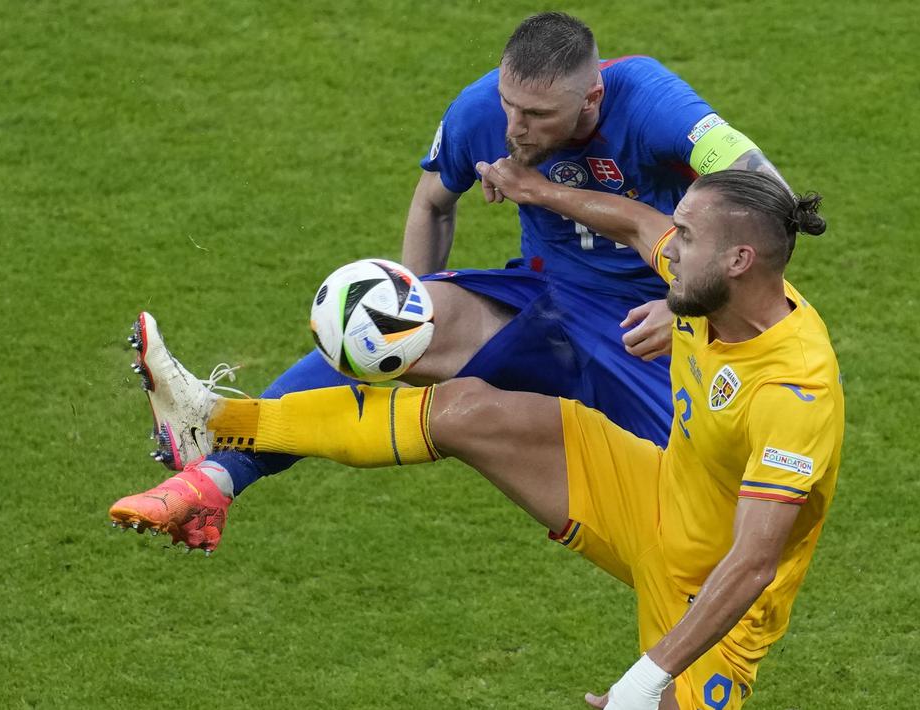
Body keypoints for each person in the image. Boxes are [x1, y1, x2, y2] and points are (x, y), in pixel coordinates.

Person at [111, 169, 842, 709]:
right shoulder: (706, 287)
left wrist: (642, 680)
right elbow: (632, 221)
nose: (669, 246)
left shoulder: (793, 392)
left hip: (710, 597)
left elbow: (749, 565)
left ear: (740, 261)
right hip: (647, 488)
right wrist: (533, 187)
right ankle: (215, 420)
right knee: (464, 410)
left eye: (687, 236)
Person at [128, 12, 787, 545]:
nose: (514, 128)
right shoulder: (484, 111)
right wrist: (401, 323)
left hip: (657, 329)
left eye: (536, 117)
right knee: (381, 319)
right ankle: (216, 471)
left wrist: (689, 311)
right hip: (550, 307)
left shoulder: (650, 103)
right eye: (510, 106)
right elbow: (430, 202)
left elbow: (769, 197)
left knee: (709, 525)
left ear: (591, 96)